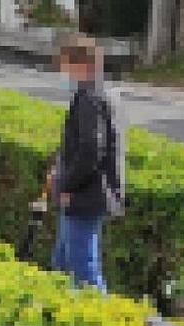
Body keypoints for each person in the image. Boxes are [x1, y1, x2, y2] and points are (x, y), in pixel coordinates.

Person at [44, 32, 124, 294]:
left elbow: (91, 149)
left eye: (66, 65)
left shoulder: (90, 98)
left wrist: (67, 185)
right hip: (87, 193)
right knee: (63, 262)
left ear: (82, 65)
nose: (63, 71)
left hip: (85, 195)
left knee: (84, 268)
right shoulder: (98, 93)